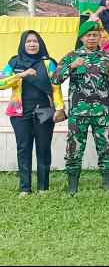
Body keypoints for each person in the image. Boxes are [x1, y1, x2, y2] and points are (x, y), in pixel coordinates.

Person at [52, 22, 109, 194]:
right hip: (78, 113)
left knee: (106, 148)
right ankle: (72, 186)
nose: (91, 38)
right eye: (88, 35)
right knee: (74, 148)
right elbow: (55, 79)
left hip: (102, 112)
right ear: (81, 38)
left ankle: (107, 184)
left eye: (94, 35)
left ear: (100, 37)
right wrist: (71, 67)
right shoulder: (71, 56)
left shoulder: (108, 58)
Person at [0, 31, 65, 197]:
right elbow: (1, 83)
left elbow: (55, 87)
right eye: (28, 41)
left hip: (44, 111)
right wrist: (21, 75)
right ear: (23, 44)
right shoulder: (14, 62)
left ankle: (43, 188)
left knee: (43, 148)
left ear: (40, 43)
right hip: (20, 112)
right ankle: (25, 188)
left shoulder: (48, 63)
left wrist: (60, 108)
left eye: (35, 41)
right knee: (23, 148)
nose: (32, 44)